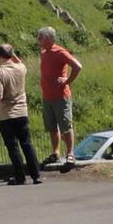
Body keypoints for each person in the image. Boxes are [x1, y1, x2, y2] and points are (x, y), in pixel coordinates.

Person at [0, 44, 40, 185]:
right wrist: (12, 52)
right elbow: (19, 62)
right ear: (11, 54)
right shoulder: (21, 69)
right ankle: (36, 175)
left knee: (13, 146)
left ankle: (20, 176)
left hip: (6, 114)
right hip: (22, 111)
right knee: (27, 143)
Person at [37, 26, 81, 166]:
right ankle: (56, 153)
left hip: (61, 96)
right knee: (51, 127)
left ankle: (70, 153)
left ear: (49, 38)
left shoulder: (60, 52)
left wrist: (67, 81)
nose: (38, 40)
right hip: (47, 96)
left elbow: (77, 66)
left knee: (66, 126)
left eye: (41, 37)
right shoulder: (43, 52)